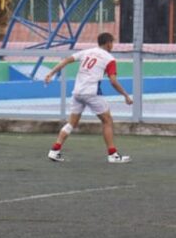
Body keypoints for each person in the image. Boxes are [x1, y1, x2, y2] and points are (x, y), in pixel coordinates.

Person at [45, 32, 133, 163]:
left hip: (77, 92)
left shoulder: (87, 52)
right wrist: (126, 95)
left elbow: (66, 61)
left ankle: (54, 151)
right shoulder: (109, 58)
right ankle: (113, 155)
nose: (112, 45)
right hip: (92, 93)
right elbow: (113, 81)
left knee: (71, 123)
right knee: (107, 121)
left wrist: (50, 73)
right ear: (108, 43)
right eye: (112, 42)